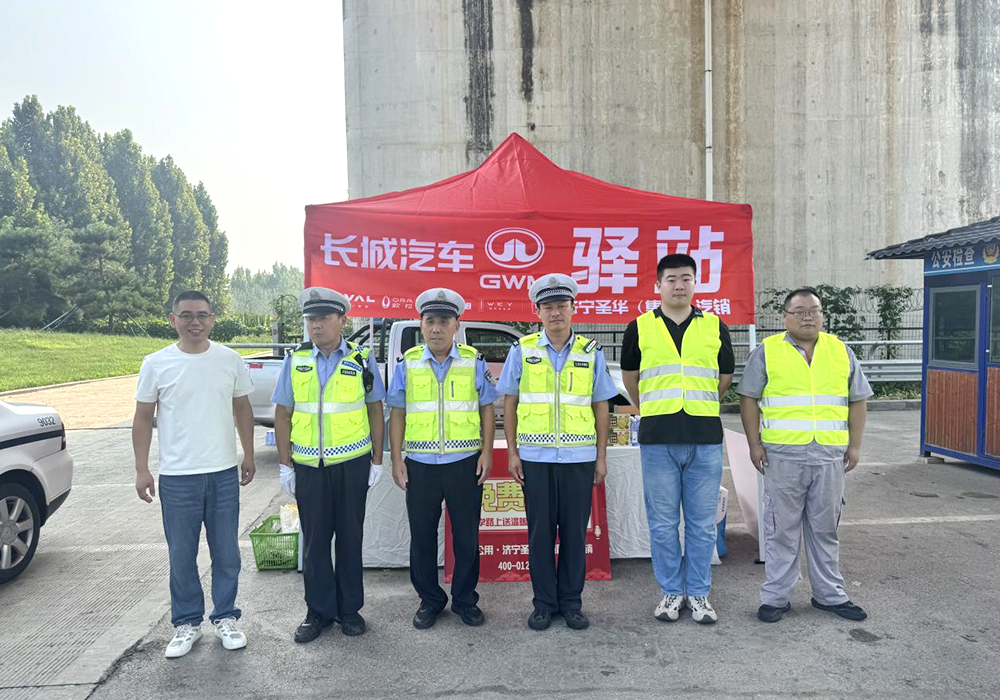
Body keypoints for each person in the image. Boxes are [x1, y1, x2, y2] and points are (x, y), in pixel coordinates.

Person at [133, 290, 255, 658]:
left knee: (226, 552)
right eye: (186, 315)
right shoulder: (156, 363)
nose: (194, 322)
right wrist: (142, 469)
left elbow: (243, 409)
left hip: (222, 473)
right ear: (173, 320)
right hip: (178, 477)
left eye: (202, 315)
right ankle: (187, 623)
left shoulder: (229, 360)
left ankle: (225, 617)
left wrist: (248, 454)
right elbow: (143, 418)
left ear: (213, 319)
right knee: (182, 555)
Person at [738, 287, 872, 623]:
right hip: (783, 456)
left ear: (822, 315)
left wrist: (855, 445)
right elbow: (748, 399)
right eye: (799, 311)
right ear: (785, 317)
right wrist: (754, 444)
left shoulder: (840, 351)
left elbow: (858, 400)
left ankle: (829, 595)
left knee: (825, 529)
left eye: (814, 310)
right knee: (781, 530)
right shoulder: (767, 352)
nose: (808, 316)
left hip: (829, 457)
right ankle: (776, 598)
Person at [497, 274, 617, 631]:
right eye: (548, 307)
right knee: (540, 534)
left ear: (573, 309)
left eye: (562, 305)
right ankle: (544, 604)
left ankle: (572, 603)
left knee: (575, 534)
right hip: (535, 459)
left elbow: (601, 405)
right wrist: (514, 453)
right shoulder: (523, 350)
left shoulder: (590, 352)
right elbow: (510, 403)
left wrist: (601, 456)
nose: (555, 313)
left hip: (579, 459)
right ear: (537, 312)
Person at [621, 254, 735, 625]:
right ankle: (671, 590)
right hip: (658, 438)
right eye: (671, 279)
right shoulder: (639, 327)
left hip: (704, 436)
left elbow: (724, 377)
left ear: (695, 283)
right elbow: (631, 377)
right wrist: (651, 407)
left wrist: (700, 402)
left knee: (702, 524)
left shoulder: (715, 326)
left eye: (686, 278)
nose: (679, 285)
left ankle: (699, 593)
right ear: (658, 285)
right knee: (662, 523)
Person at [271, 287, 387, 643]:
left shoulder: (361, 359)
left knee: (351, 538)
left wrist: (377, 460)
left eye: (323, 318)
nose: (316, 325)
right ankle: (318, 611)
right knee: (315, 542)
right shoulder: (296, 360)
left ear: (342, 321)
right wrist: (285, 464)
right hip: (309, 466)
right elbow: (283, 413)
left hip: (352, 464)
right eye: (311, 319)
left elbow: (375, 409)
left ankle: (350, 610)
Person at [388, 288, 497, 630]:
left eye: (444, 321)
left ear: (456, 326)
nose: (436, 328)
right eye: (430, 321)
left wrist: (487, 452)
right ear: (421, 325)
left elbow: (487, 407)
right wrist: (396, 459)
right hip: (420, 464)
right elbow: (397, 411)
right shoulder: (408, 363)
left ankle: (465, 600)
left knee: (466, 537)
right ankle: (430, 600)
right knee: (421, 536)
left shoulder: (473, 360)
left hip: (464, 463)